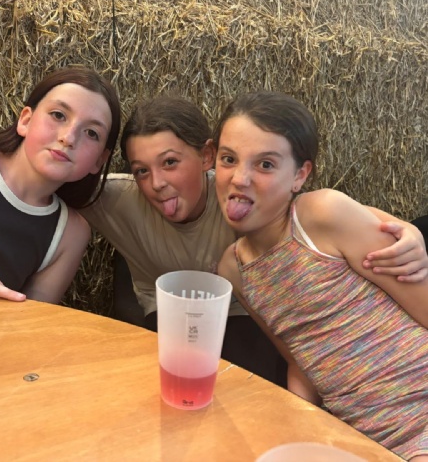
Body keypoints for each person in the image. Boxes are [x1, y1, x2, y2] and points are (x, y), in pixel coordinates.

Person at [79, 94, 428, 386]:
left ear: (206, 157)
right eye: (141, 170)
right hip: (173, 315)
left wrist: (405, 229)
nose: (156, 183)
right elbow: (62, 181)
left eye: (170, 162)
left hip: (244, 313)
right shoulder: (120, 199)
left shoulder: (238, 194)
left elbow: (311, 211)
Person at [214, 91, 427, 460]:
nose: (240, 178)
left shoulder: (321, 215)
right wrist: (299, 428)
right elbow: (301, 361)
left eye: (266, 164)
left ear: (300, 175)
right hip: (366, 440)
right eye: (228, 159)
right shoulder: (234, 270)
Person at [0, 66, 121, 310]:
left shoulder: (69, 233)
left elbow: (30, 320)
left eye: (91, 133)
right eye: (58, 115)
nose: (69, 138)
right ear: (25, 120)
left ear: (99, 161)